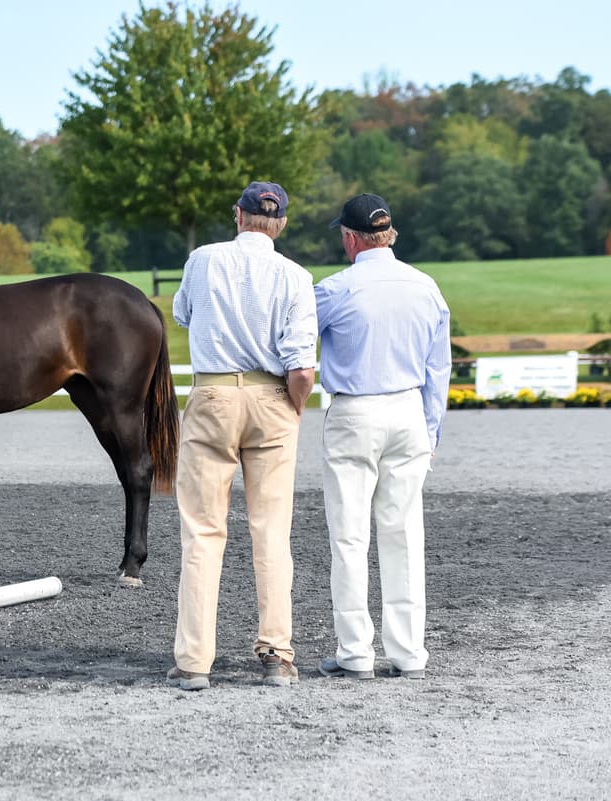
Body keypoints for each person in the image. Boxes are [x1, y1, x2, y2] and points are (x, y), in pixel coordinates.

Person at [168, 181, 318, 690]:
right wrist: (291, 410)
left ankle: (194, 661)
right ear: (281, 224)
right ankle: (276, 654)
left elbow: (182, 314)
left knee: (203, 532)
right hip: (273, 397)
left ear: (238, 215)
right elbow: (302, 366)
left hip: (212, 395)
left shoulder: (202, 259)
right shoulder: (296, 276)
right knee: (271, 532)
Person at [314, 193, 451, 680]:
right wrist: (430, 431)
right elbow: (439, 370)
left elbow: (293, 340)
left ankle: (355, 653)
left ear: (350, 238)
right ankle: (409, 653)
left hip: (355, 412)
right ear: (387, 234)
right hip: (410, 410)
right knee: (404, 534)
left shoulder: (335, 289)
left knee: (349, 538)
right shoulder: (426, 286)